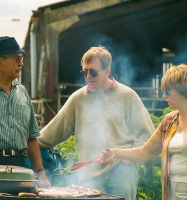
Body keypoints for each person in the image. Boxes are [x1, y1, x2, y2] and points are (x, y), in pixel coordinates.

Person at [37, 46, 155, 199]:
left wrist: (128, 158)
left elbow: (148, 136)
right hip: (88, 175)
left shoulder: (128, 95)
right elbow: (51, 134)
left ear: (107, 71)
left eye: (92, 71)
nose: (87, 76)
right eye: (84, 72)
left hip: (121, 174)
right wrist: (26, 143)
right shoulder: (77, 98)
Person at [99, 64, 187, 200]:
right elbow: (145, 151)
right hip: (171, 192)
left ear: (183, 90)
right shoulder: (169, 121)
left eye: (168, 91)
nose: (164, 96)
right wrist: (115, 152)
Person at [0, 36, 51, 188]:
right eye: (16, 59)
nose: (21, 63)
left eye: (21, 59)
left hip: (20, 166)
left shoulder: (22, 92)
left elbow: (31, 136)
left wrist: (41, 172)